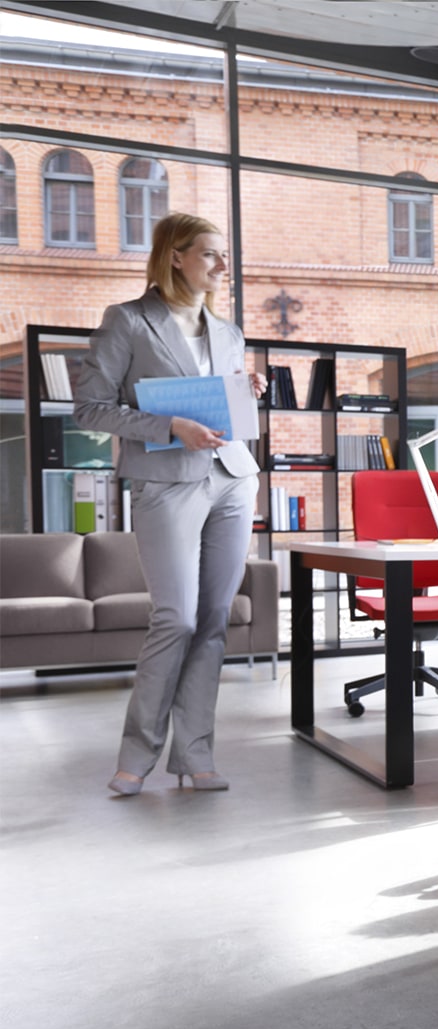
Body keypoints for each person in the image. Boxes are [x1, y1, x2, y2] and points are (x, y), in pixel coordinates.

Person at [72, 212, 266, 796]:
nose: (222, 266)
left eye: (223, 254)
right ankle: (136, 756)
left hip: (233, 478)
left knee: (212, 621)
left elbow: (223, 406)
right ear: (175, 256)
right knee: (175, 617)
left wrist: (245, 389)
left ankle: (195, 756)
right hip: (165, 482)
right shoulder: (128, 322)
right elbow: (89, 408)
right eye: (211, 254)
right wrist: (167, 425)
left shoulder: (227, 332)